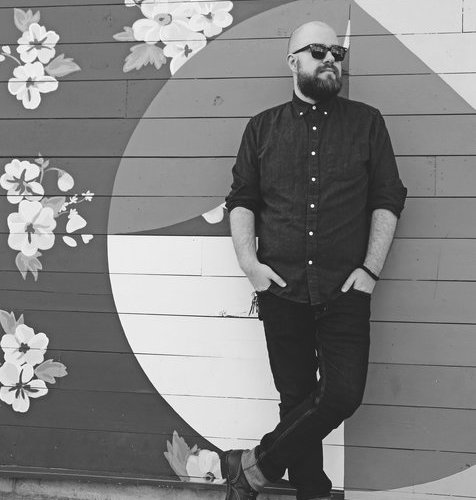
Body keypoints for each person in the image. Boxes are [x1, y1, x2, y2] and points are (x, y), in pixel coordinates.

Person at [221, 20, 408, 500]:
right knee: (296, 400)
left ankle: (253, 467)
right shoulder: (262, 128)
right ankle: (312, 492)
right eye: (318, 51)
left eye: (337, 53)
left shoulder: (367, 123)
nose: (331, 59)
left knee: (342, 394)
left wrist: (370, 270)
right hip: (281, 289)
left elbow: (387, 198)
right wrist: (250, 265)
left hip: (346, 289)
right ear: (293, 61)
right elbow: (242, 200)